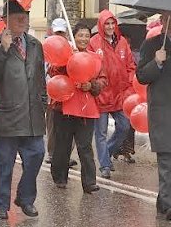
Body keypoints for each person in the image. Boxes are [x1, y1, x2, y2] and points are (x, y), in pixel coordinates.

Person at [0, 0, 46, 220]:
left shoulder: (36, 44)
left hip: (32, 114)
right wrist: (3, 48)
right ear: (4, 21)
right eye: (18, 17)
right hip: (7, 113)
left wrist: (43, 101)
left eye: (25, 16)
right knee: (4, 163)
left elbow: (40, 77)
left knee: (37, 154)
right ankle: (1, 204)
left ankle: (25, 198)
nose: (23, 20)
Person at [49, 23, 104, 194]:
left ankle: (89, 183)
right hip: (63, 108)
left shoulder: (95, 58)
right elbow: (53, 72)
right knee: (62, 145)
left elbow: (103, 80)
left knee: (85, 147)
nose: (84, 39)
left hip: (86, 110)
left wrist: (92, 85)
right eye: (80, 35)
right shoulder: (66, 55)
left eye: (87, 35)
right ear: (74, 36)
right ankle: (60, 177)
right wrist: (68, 61)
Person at [88, 10, 135, 179]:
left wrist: (128, 85)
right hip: (101, 95)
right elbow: (88, 65)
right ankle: (105, 165)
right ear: (101, 25)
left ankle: (106, 153)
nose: (109, 27)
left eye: (112, 23)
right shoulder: (93, 42)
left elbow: (130, 66)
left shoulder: (122, 42)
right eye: (106, 23)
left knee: (124, 125)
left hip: (119, 95)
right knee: (100, 132)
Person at [136, 11, 171, 219]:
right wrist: (156, 62)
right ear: (162, 21)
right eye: (166, 18)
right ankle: (167, 206)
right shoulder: (152, 45)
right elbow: (141, 76)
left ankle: (163, 200)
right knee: (166, 159)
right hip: (163, 110)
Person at [45, 18, 77, 167]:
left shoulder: (72, 47)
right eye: (57, 32)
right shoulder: (46, 46)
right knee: (52, 126)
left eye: (62, 32)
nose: (59, 35)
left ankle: (66, 155)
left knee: (70, 127)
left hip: (70, 92)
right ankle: (52, 153)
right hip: (52, 92)